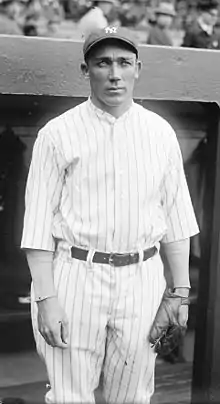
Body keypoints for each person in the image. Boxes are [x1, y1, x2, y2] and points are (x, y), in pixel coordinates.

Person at [21, 26, 199, 403]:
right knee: (70, 396)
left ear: (138, 68)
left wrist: (179, 294)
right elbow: (36, 228)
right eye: (103, 63)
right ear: (86, 70)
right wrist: (47, 299)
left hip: (141, 277)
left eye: (124, 62)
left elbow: (177, 222)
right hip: (75, 275)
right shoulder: (57, 134)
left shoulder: (160, 133)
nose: (114, 73)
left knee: (133, 396)